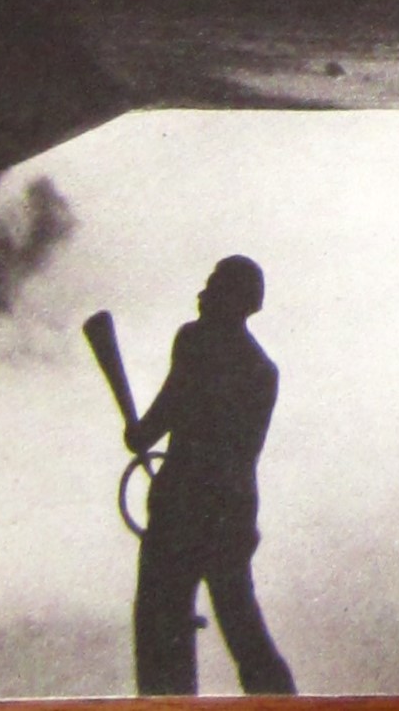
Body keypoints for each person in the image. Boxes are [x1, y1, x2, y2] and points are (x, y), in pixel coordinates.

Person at [127, 256, 297, 696]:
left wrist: (139, 435)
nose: (202, 295)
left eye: (213, 287)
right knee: (243, 630)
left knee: (162, 631)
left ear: (234, 299)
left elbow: (162, 417)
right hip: (228, 516)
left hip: (183, 512)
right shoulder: (261, 370)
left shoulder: (195, 341)